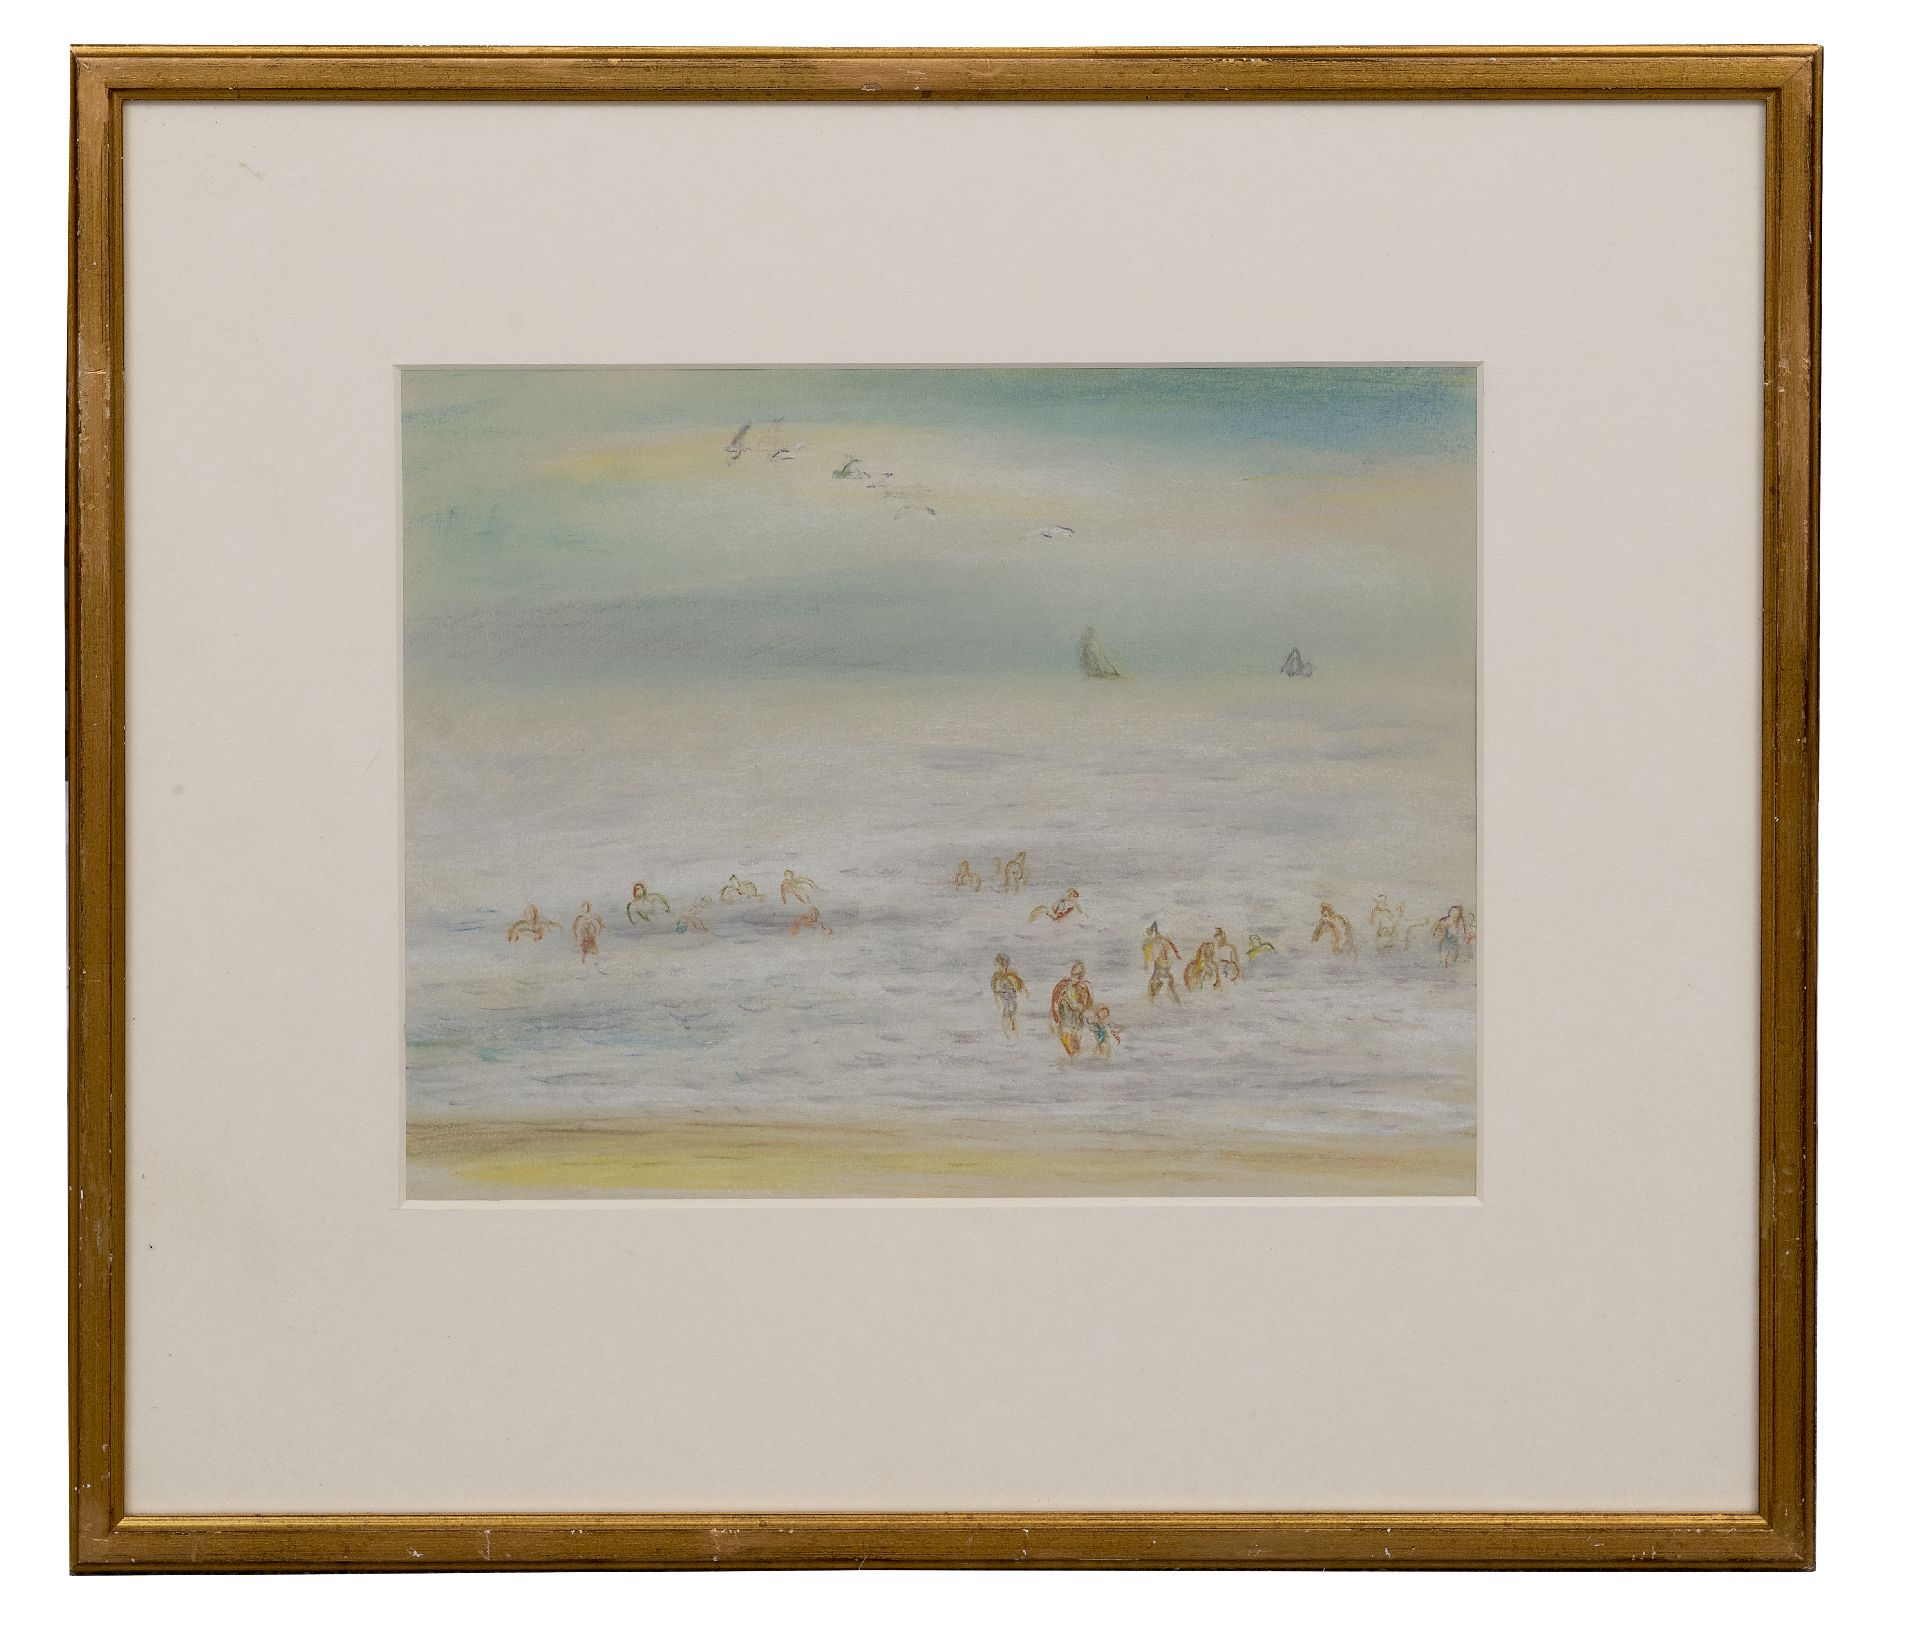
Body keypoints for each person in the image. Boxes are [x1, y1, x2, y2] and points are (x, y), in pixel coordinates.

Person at [1050, 961, 1095, 1058]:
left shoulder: (1084, 987)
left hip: (1078, 1021)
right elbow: (1055, 1002)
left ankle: (1074, 1064)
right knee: (1070, 1048)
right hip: (1065, 1021)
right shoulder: (1063, 985)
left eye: (1080, 974)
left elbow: (1088, 1004)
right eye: (1076, 974)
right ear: (1072, 973)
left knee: (1077, 1048)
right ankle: (1071, 1063)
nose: (1078, 977)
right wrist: (1055, 1018)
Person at [1142, 921, 1183, 1004]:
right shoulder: (1163, 940)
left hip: (1160, 965)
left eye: (1148, 932)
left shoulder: (1153, 942)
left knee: (1153, 983)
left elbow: (1148, 952)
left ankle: (1152, 1002)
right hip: (1166, 964)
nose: (1148, 934)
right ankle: (1177, 1002)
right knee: (1168, 985)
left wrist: (1146, 964)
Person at [989, 953, 1027, 1035]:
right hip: (1003, 994)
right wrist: (997, 993)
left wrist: (1022, 989)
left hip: (1011, 993)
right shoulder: (997, 975)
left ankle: (1012, 1024)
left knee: (1014, 1008)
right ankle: (1007, 1028)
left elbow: (1019, 982)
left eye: (1004, 964)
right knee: (1007, 1008)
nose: (1002, 966)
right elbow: (994, 985)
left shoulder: (1011, 973)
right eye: (1000, 964)